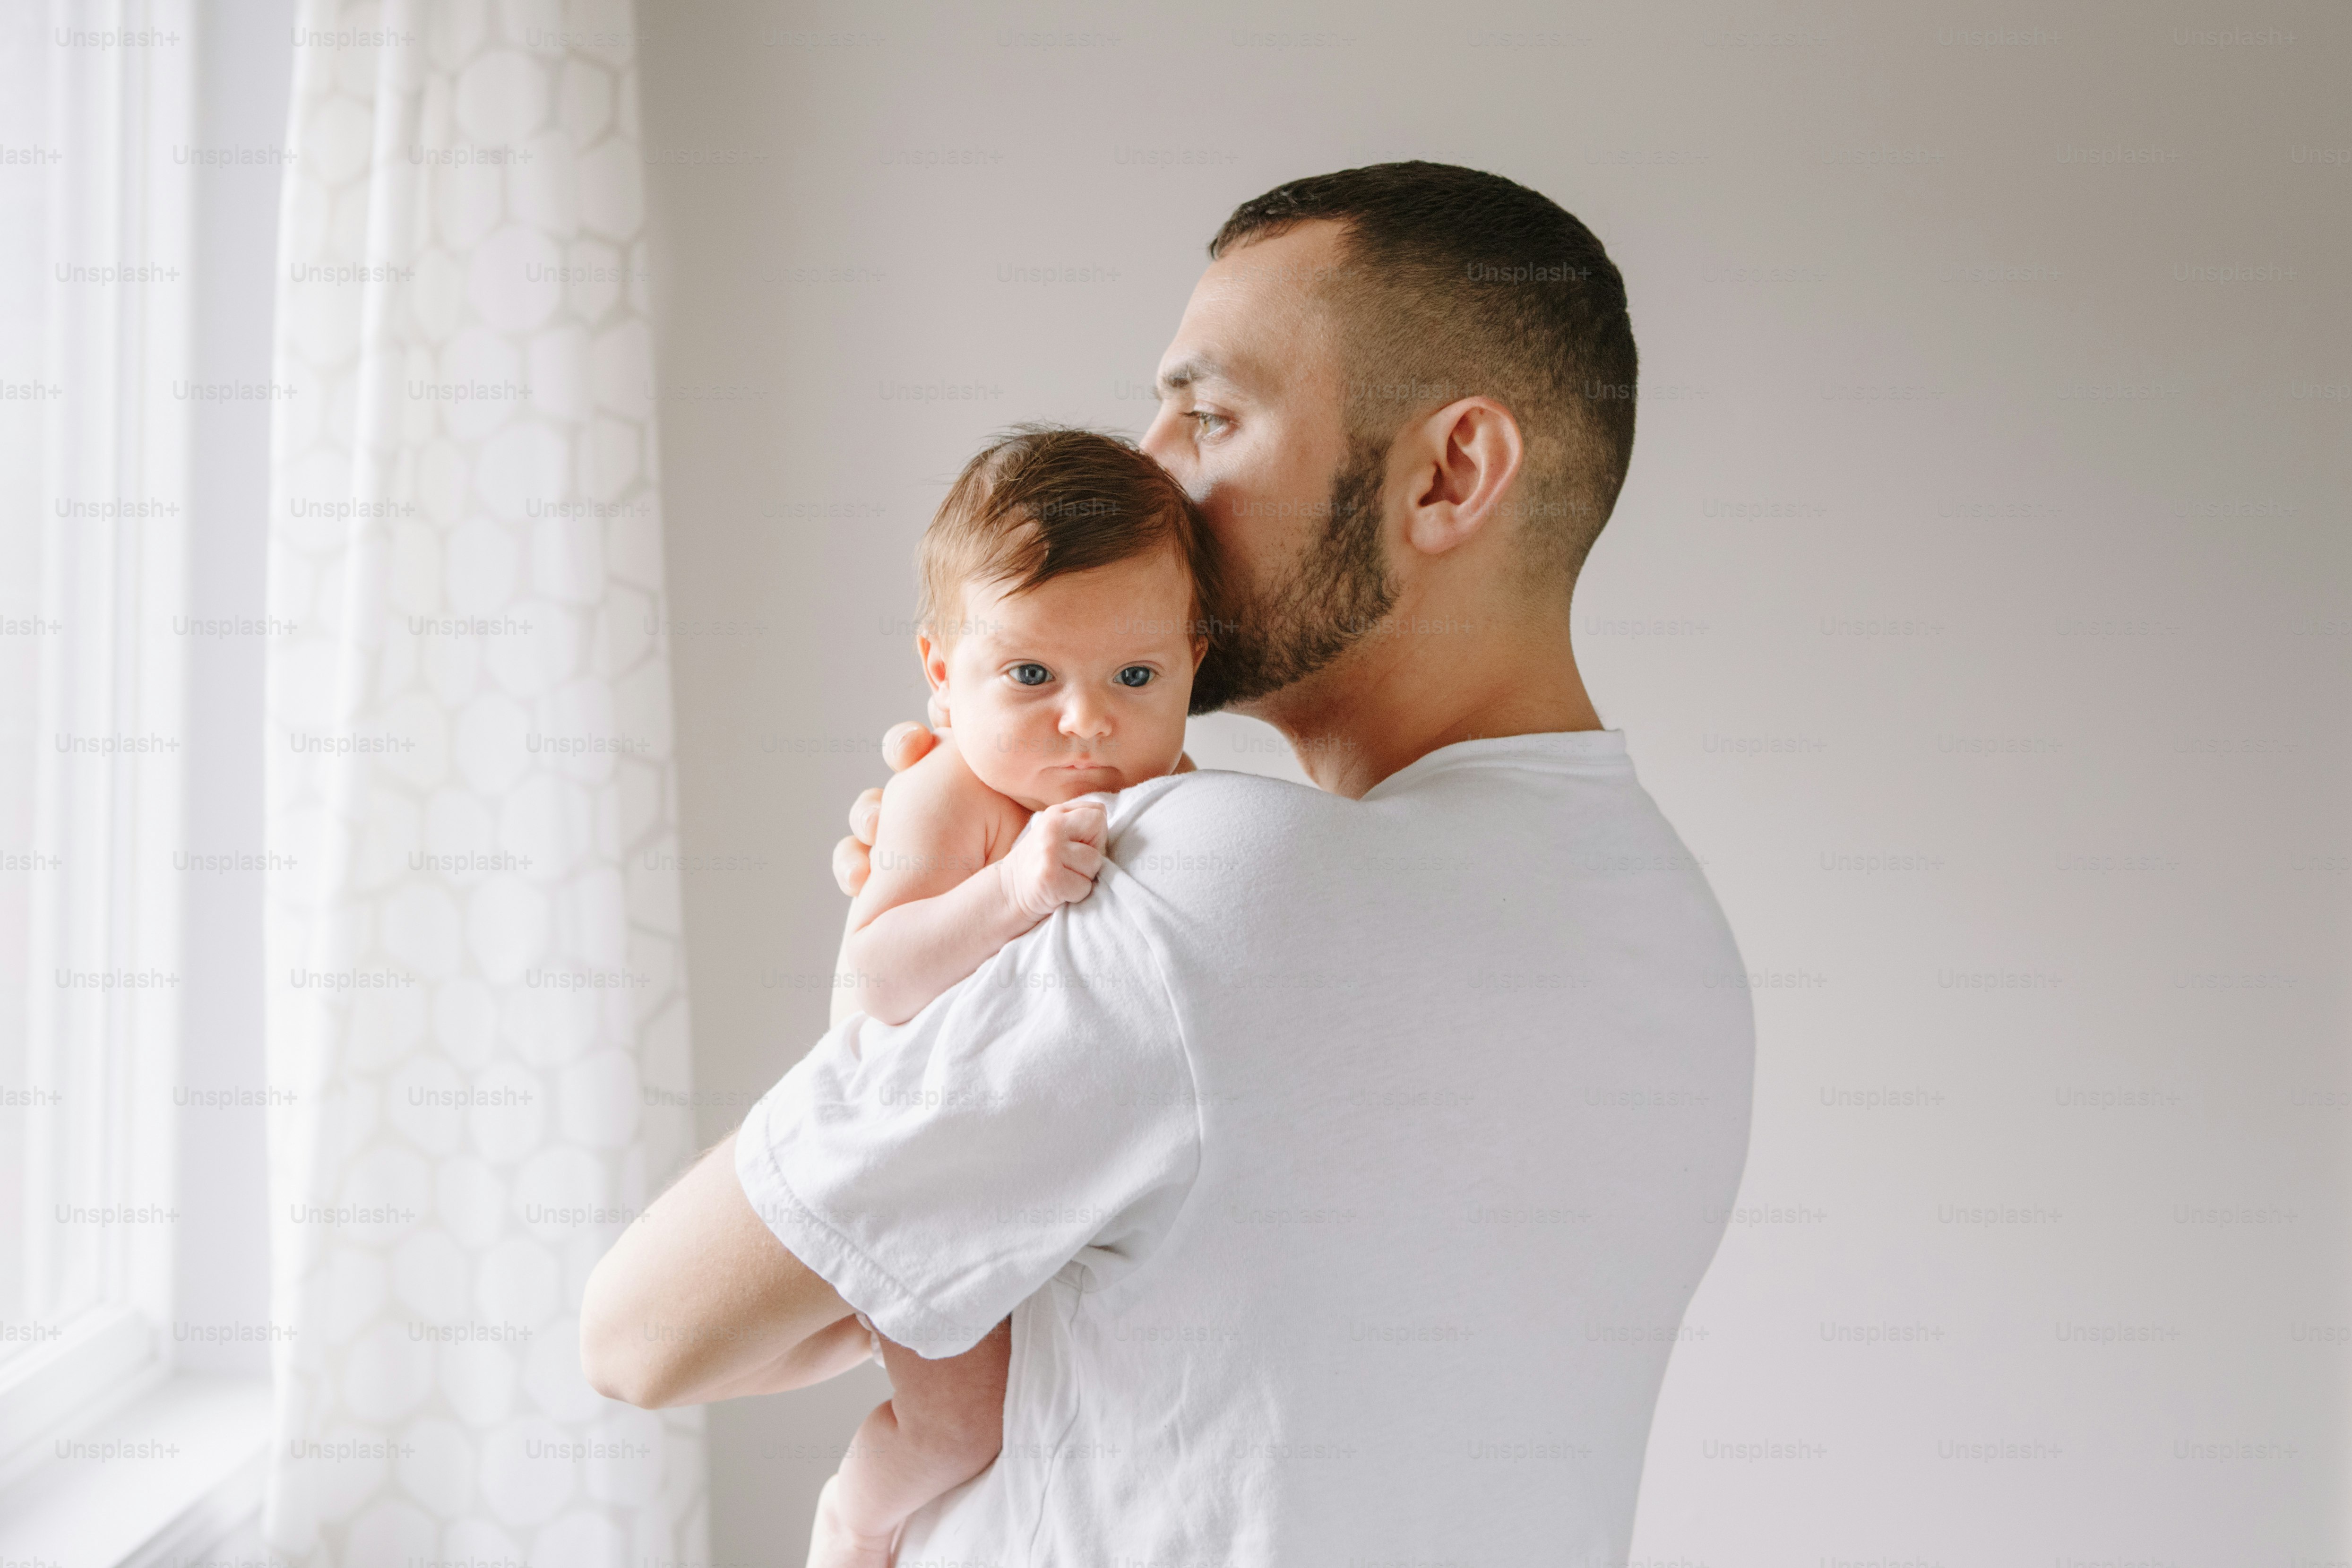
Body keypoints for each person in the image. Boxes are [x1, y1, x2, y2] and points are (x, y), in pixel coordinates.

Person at [582, 161, 1757, 1566]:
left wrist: (932, 940)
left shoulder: (1206, 884)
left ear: (1449, 472)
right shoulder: (1666, 920)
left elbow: (643, 1330)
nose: (1149, 466)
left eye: (1209, 411)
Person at [806, 425, 1222, 1565]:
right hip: (922, 1184)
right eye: (1029, 676)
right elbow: (878, 970)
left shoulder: (1173, 792)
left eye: (1133, 678)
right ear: (944, 675)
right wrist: (1009, 890)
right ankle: (854, 1518)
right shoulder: (952, 796)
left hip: (1054, 1181)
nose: (1083, 722)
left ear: (1192, 659)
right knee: (957, 1429)